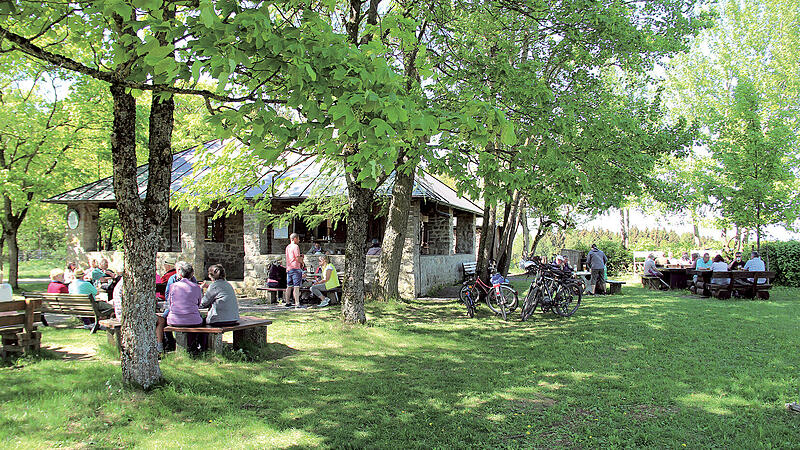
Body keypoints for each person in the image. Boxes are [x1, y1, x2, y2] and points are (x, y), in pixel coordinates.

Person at [284, 233, 304, 308]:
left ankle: (287, 301)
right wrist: (302, 262)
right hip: (295, 268)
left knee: (289, 286)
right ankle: (297, 303)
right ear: (295, 238)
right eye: (298, 238)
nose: (299, 240)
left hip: (289, 268)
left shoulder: (288, 247)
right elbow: (297, 257)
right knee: (296, 286)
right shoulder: (296, 247)